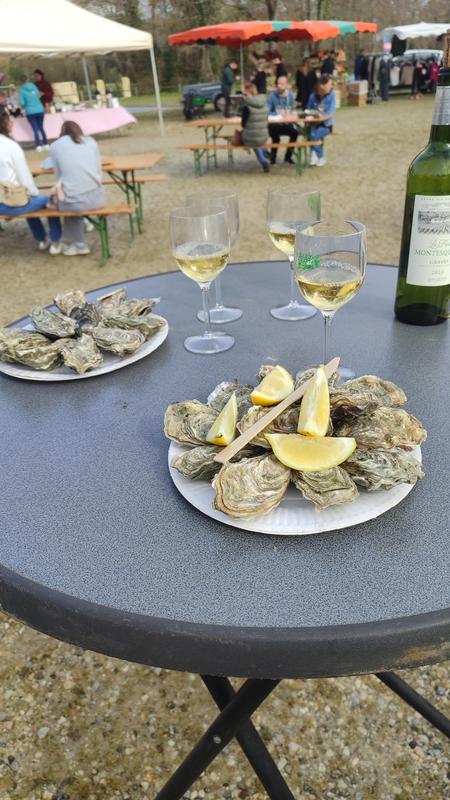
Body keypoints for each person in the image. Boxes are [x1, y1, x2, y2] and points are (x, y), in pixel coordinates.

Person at [0, 108, 61, 252]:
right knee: (45, 200)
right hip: (10, 203)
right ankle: (55, 240)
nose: (12, 120)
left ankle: (41, 239)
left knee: (28, 198)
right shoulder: (10, 146)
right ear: (3, 121)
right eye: (9, 117)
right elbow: (25, 179)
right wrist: (33, 194)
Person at [50, 120, 105, 256]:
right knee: (74, 197)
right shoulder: (91, 141)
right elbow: (99, 169)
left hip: (75, 201)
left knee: (62, 200)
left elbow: (59, 176)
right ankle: (83, 225)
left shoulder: (56, 146)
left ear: (61, 133)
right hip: (98, 197)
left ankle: (78, 244)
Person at [306, 74, 336, 167]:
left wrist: (319, 117)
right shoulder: (312, 96)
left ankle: (320, 157)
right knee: (309, 133)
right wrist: (312, 115)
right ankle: (314, 155)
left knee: (313, 135)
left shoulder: (331, 96)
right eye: (330, 84)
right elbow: (308, 109)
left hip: (326, 125)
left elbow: (329, 112)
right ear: (322, 86)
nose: (331, 86)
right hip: (313, 124)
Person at [267, 75, 298, 165]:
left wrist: (291, 115)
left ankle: (288, 157)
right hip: (274, 124)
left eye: (282, 84)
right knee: (276, 137)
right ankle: (273, 159)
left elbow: (292, 109)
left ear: (286, 85)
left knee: (295, 133)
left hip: (286, 123)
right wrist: (279, 114)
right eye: (278, 84)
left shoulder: (290, 96)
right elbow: (267, 112)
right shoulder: (272, 96)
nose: (279, 86)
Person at [241, 81, 270, 173]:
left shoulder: (247, 107)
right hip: (264, 136)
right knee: (258, 138)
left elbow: (243, 124)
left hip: (251, 137)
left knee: (252, 138)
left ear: (247, 94)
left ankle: (263, 160)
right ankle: (265, 151)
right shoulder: (264, 104)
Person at [18, 74, 48, 150]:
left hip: (30, 111)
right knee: (41, 127)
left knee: (35, 129)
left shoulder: (21, 90)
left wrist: (25, 106)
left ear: (21, 81)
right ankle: (46, 144)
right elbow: (38, 95)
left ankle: (38, 145)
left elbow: (22, 103)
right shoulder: (34, 86)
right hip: (40, 109)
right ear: (27, 79)